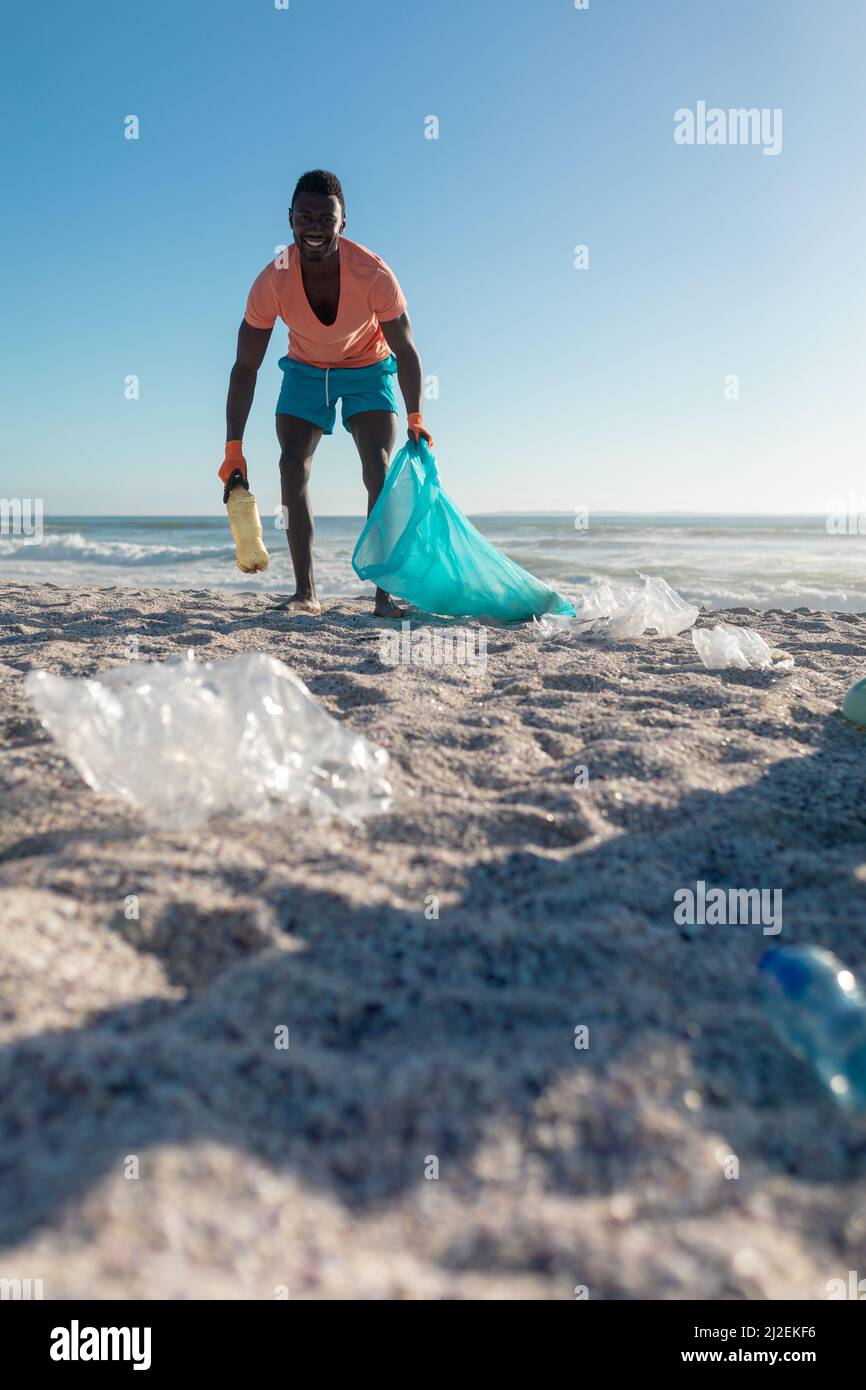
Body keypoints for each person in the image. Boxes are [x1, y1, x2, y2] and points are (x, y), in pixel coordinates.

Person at [220, 169, 432, 616]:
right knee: (291, 463)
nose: (314, 226)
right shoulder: (272, 280)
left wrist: (415, 415)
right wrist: (233, 448)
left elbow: (406, 349)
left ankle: (383, 594)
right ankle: (305, 593)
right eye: (305, 217)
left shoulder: (373, 273)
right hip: (306, 370)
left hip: (367, 367)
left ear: (343, 222)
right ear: (290, 219)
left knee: (377, 467)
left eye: (325, 218)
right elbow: (245, 366)